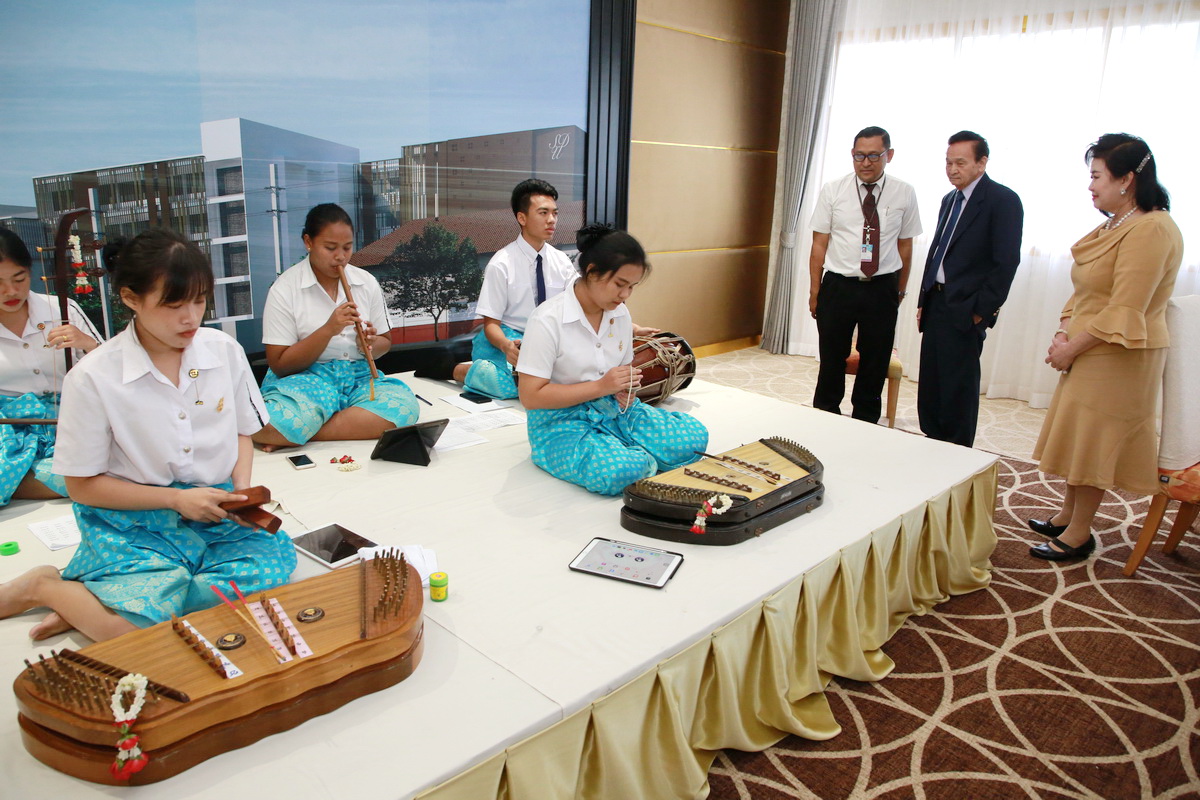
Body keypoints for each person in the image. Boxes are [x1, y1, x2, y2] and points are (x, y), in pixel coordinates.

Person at [0, 229, 296, 641]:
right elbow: (81, 486)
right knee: (132, 634)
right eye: (173, 305)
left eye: (199, 300)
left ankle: (96, 600)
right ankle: (45, 586)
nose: (190, 318)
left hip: (214, 511)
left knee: (266, 578)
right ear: (130, 299)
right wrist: (175, 500)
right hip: (133, 522)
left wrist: (241, 493)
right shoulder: (93, 376)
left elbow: (241, 433)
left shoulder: (222, 350)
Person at [1027, 134, 1182, 561]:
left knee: (1097, 442)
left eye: (1097, 176)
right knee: (1081, 436)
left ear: (1127, 179)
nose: (1090, 186)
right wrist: (1063, 331)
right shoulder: (1116, 223)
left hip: (1119, 354)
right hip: (1089, 346)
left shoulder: (1152, 229)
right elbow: (1087, 288)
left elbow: (1125, 307)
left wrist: (1070, 348)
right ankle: (1067, 514)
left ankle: (1079, 533)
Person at [516, 225, 708, 496]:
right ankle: (631, 454)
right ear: (592, 271)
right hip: (560, 422)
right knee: (618, 471)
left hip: (615, 410)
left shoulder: (620, 314)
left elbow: (624, 369)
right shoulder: (546, 320)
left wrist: (626, 390)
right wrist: (600, 387)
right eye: (620, 284)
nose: (625, 295)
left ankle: (631, 450)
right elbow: (531, 397)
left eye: (632, 287)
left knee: (692, 440)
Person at [253, 204, 418, 450]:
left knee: (406, 410)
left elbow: (385, 342)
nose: (340, 256)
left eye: (347, 247)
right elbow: (280, 364)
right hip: (307, 379)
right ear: (308, 242)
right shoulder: (284, 288)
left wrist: (369, 344)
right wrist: (328, 329)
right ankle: (316, 427)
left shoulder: (366, 282)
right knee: (267, 423)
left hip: (359, 377)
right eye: (330, 248)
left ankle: (303, 433)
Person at [916, 131, 1024, 447]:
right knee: (933, 381)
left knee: (958, 386)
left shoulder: (1003, 201)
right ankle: (932, 440)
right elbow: (939, 251)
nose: (952, 169)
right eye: (948, 162)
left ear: (982, 162)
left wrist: (981, 311)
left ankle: (957, 451)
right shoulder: (949, 200)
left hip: (966, 307)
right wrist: (924, 297)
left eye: (960, 163)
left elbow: (1006, 263)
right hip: (936, 302)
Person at [809, 126, 922, 422]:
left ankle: (866, 422)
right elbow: (819, 244)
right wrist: (814, 291)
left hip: (882, 287)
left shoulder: (904, 192)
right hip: (838, 286)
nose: (866, 162)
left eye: (874, 155)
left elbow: (906, 245)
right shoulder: (833, 189)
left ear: (889, 155)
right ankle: (825, 417)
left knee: (875, 361)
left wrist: (900, 290)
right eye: (859, 156)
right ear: (852, 155)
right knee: (831, 359)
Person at [1, 228, 102, 505]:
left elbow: (115, 369)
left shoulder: (61, 309)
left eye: (19, 279)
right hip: (11, 431)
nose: (11, 291)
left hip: (72, 418)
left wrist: (87, 344)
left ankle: (32, 482)